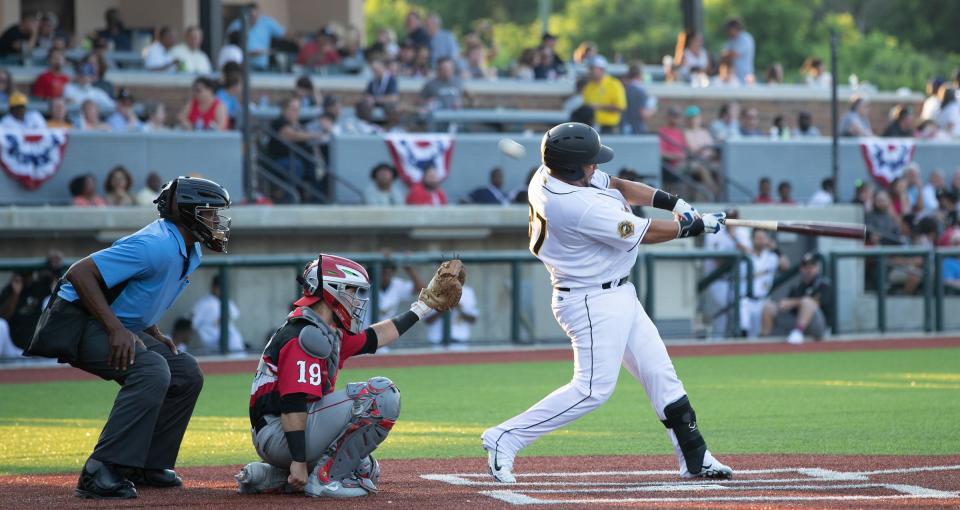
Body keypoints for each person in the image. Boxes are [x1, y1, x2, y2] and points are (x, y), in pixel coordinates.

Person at [482, 122, 732, 484]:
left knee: (660, 374)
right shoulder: (576, 206)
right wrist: (693, 227)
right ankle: (504, 438)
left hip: (617, 293)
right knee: (592, 390)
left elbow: (618, 185)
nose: (596, 167)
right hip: (589, 300)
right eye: (590, 162)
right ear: (571, 167)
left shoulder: (551, 174)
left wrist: (675, 204)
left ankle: (696, 458)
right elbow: (642, 232)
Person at [26, 177, 229, 499]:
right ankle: (100, 470)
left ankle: (147, 464)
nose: (217, 220)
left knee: (184, 371)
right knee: (150, 371)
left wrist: (151, 329)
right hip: (76, 322)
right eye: (210, 212)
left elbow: (137, 292)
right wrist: (117, 329)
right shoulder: (155, 244)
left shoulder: (190, 249)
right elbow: (79, 273)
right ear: (188, 212)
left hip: (111, 323)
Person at [235, 254, 453, 497]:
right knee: (380, 395)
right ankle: (321, 480)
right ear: (332, 290)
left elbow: (376, 337)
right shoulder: (305, 335)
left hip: (285, 430)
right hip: (280, 431)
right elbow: (293, 402)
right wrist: (297, 460)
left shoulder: (322, 329)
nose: (357, 299)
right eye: (352, 290)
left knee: (366, 469)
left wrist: (422, 307)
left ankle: (270, 477)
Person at [0, 251, 64, 356]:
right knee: (1, 325)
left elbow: (57, 281)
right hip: (12, 348)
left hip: (36, 347)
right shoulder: (9, 290)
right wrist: (15, 294)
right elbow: (3, 317)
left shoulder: (39, 286)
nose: (26, 277)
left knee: (50, 301)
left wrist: (53, 261)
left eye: (29, 273)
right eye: (23, 274)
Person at [761, 252, 832, 344]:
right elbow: (787, 306)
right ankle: (765, 341)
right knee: (768, 307)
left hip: (818, 327)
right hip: (796, 323)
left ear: (817, 268)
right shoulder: (798, 287)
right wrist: (783, 304)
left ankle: (798, 332)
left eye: (812, 267)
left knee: (807, 302)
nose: (809, 270)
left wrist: (793, 302)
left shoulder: (823, 284)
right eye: (806, 267)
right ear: (801, 269)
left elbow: (815, 303)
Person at [702, 209, 750, 338]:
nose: (732, 221)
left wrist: (733, 237)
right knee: (721, 318)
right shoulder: (714, 232)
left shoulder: (742, 232)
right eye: (729, 218)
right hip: (718, 281)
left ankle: (744, 341)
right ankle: (719, 345)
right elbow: (719, 262)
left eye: (734, 218)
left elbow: (748, 252)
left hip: (738, 280)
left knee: (742, 311)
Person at [739, 229, 788, 339]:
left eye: (763, 238)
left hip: (762, 300)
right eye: (758, 238)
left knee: (757, 337)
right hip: (745, 301)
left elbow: (786, 266)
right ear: (752, 239)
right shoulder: (745, 256)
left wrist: (776, 249)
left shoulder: (771, 257)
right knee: (743, 333)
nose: (761, 240)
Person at [190, 275, 244, 354]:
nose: (222, 290)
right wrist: (212, 323)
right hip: (211, 340)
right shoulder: (203, 303)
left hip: (230, 339)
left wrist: (223, 319)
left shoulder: (226, 301)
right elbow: (192, 323)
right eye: (220, 287)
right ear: (214, 287)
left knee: (235, 339)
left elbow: (235, 314)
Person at [226, 3, 285, 70]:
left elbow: (283, 34)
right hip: (243, 66)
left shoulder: (266, 22)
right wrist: (249, 53)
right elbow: (230, 46)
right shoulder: (236, 25)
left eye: (256, 16)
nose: (254, 19)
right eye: (251, 16)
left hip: (262, 66)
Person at [582, 56, 626, 134]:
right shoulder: (589, 86)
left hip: (609, 128)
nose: (590, 71)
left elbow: (620, 107)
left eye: (592, 68)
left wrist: (598, 106)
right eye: (590, 68)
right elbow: (586, 106)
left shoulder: (614, 84)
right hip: (591, 127)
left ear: (601, 69)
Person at [425, 284, 477, 350]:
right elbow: (428, 320)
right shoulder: (433, 290)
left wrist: (458, 306)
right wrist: (444, 308)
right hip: (437, 343)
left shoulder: (468, 292)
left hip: (460, 343)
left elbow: (473, 319)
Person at [721, 18, 755, 84]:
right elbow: (723, 55)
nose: (728, 32)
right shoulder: (730, 40)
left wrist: (727, 54)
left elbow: (734, 54)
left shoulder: (746, 38)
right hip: (733, 77)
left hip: (745, 76)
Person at [621, 62, 651, 135]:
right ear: (639, 74)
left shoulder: (623, 89)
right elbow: (643, 114)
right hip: (637, 129)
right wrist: (654, 109)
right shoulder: (640, 92)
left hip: (623, 128)